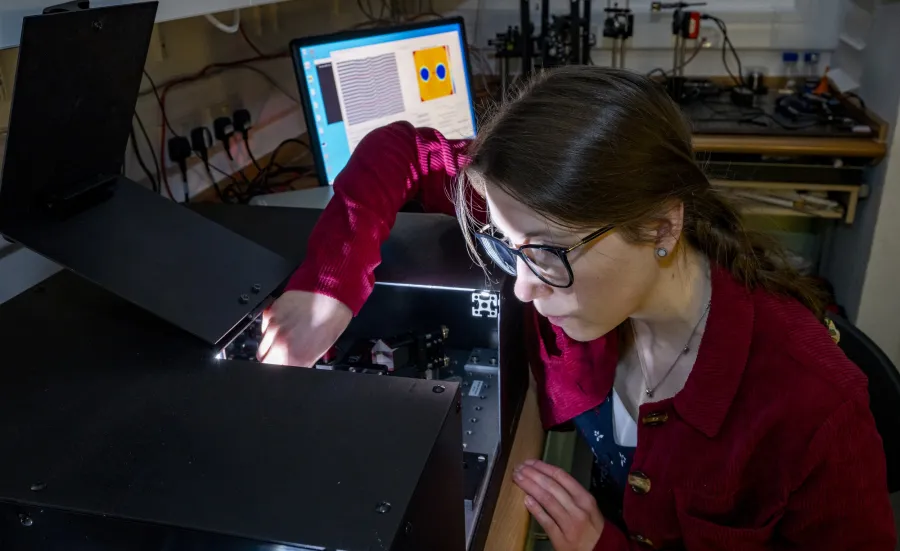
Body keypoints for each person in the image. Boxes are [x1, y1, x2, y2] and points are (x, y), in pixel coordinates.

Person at [258, 67, 896, 550]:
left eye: (545, 255)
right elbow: (401, 148)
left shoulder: (815, 414)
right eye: (507, 249)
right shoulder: (549, 226)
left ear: (660, 227)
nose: (522, 289)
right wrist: (330, 286)